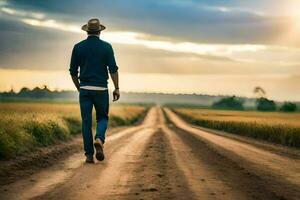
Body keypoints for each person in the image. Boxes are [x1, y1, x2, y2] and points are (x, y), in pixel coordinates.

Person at [69, 18, 120, 163]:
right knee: (102, 118)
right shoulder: (107, 47)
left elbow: (73, 72)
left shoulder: (78, 47)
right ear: (99, 31)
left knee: (86, 122)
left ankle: (89, 155)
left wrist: (80, 89)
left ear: (87, 31)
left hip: (85, 89)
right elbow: (113, 70)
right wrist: (116, 88)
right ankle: (99, 139)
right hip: (101, 89)